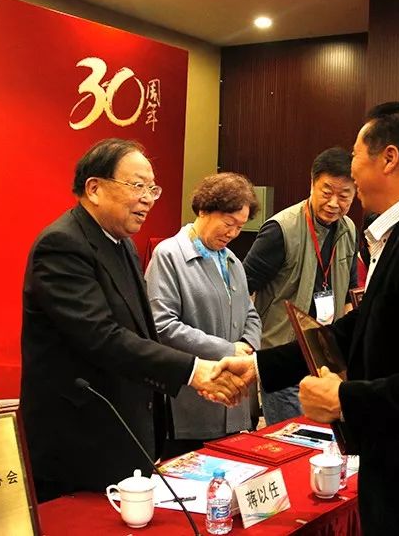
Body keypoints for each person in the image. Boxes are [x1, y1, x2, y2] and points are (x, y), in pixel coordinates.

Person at [217, 102, 399, 534]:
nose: (352, 171)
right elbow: (358, 327)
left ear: (389, 157)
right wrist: (260, 366)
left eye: (356, 155)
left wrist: (346, 400)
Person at [19, 139, 246, 503]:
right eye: (137, 186)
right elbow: (102, 337)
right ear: (94, 188)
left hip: (124, 429)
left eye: (152, 189)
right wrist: (192, 370)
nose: (148, 199)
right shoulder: (62, 244)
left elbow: (142, 330)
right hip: (79, 442)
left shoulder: (121, 242)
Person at [144, 172, 262, 457]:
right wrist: (228, 350)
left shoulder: (232, 261)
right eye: (228, 223)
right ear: (204, 210)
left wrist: (248, 348)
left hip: (235, 396)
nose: (233, 233)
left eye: (240, 227)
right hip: (192, 397)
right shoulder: (168, 255)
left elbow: (251, 314)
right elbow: (162, 325)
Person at [243, 147, 358, 425]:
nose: (334, 203)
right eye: (326, 192)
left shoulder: (349, 229)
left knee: (323, 439)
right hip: (284, 354)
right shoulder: (281, 229)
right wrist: (248, 341)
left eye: (344, 196)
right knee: (291, 436)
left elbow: (349, 292)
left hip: (325, 359)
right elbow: (242, 286)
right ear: (312, 184)